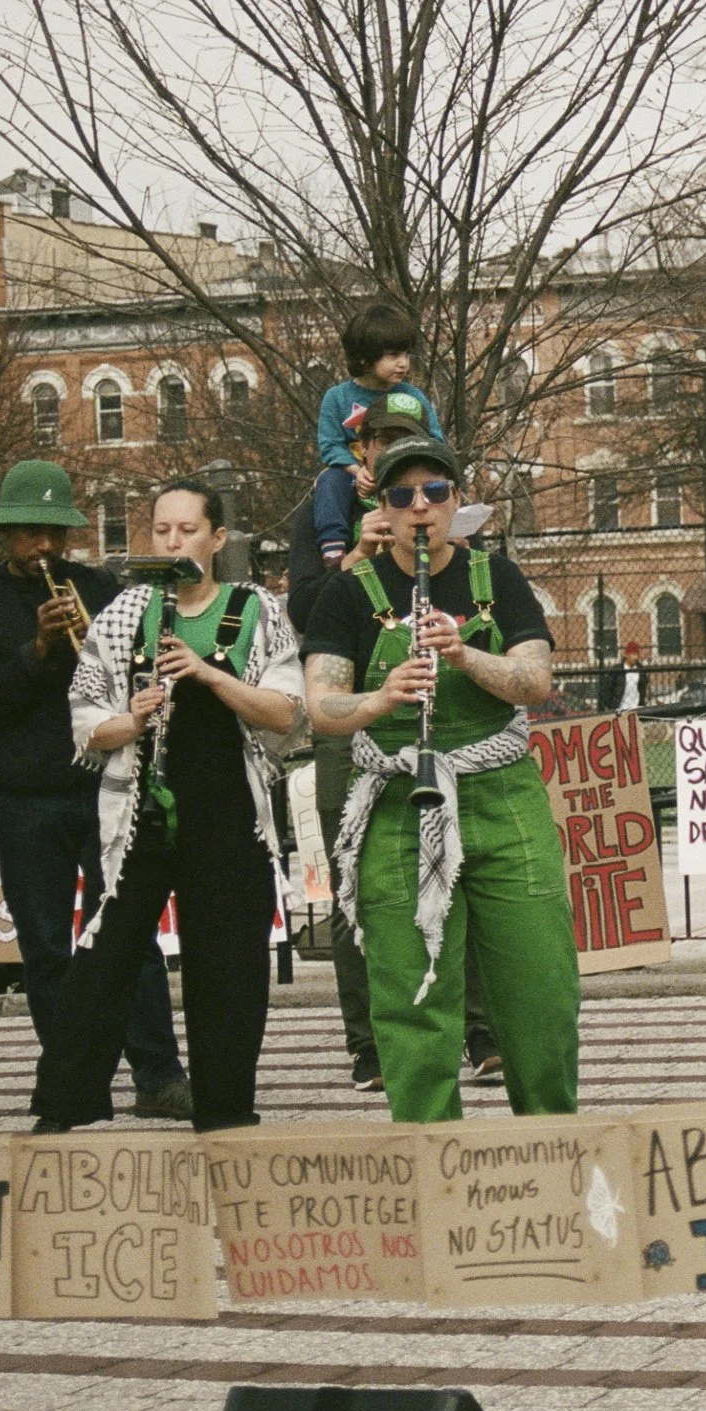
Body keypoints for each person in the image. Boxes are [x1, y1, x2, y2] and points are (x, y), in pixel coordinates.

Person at [305, 432, 574, 1121]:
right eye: (401, 495)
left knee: (539, 987)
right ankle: (432, 1158)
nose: (419, 507)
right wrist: (381, 698)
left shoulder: (498, 578)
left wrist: (462, 655)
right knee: (412, 998)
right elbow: (321, 706)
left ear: (456, 500)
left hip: (501, 794)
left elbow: (535, 680)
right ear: (383, 510)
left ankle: (553, 1146)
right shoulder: (347, 593)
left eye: (434, 491)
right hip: (399, 801)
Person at [30, 481, 304, 1133]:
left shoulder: (255, 609)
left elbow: (287, 714)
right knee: (102, 962)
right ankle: (63, 1109)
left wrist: (208, 673)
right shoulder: (126, 613)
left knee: (228, 971)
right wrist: (129, 720)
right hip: (140, 818)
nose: (174, 542)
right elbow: (84, 721)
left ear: (217, 538)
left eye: (188, 530)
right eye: (162, 530)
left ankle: (224, 1115)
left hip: (228, 817)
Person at [0, 461, 190, 1120]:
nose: (46, 546)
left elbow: (135, 668)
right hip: (25, 796)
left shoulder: (102, 587)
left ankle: (159, 1076)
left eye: (55, 532)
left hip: (106, 782)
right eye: (32, 532)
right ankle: (74, 1085)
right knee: (48, 947)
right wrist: (39, 646)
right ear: (6, 533)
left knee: (129, 937)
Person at [286, 411, 500, 1094]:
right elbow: (303, 614)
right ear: (365, 457)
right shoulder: (325, 511)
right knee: (355, 882)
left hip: (447, 730)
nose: (416, 498)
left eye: (429, 483)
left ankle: (480, 1030)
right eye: (387, 458)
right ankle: (370, 1043)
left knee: (461, 870)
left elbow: (490, 606)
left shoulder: (440, 514)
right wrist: (356, 556)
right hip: (356, 734)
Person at [313, 303, 438, 567]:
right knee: (329, 480)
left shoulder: (413, 397)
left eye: (406, 354)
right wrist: (355, 470)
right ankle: (333, 545)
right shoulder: (338, 397)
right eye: (393, 355)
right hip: (356, 475)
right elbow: (330, 444)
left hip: (404, 473)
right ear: (365, 358)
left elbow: (436, 441)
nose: (403, 363)